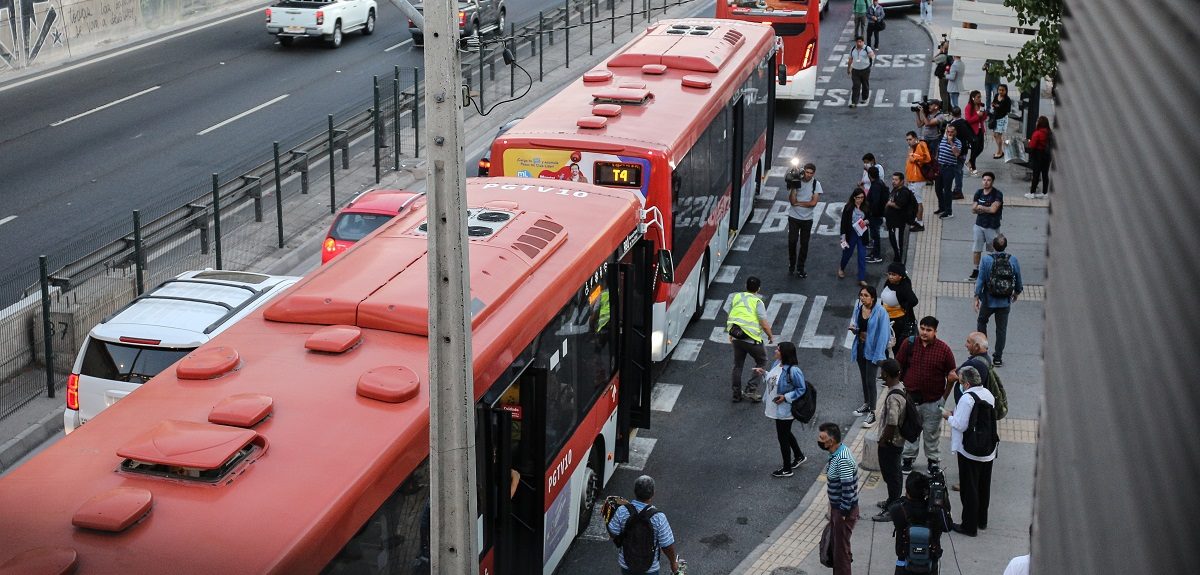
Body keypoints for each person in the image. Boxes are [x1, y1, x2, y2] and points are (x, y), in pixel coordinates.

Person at [896, 316, 958, 474]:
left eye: (928, 330)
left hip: (934, 400)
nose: (924, 332)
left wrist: (944, 398)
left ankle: (933, 460)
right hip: (910, 399)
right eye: (922, 328)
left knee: (932, 432)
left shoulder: (944, 350)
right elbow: (898, 367)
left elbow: (952, 374)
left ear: (935, 331)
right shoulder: (908, 344)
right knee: (910, 430)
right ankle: (908, 458)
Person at [942, 365, 997, 537]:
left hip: (970, 451)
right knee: (983, 486)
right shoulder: (987, 394)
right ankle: (982, 520)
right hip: (988, 448)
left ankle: (969, 525)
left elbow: (961, 424)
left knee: (969, 488)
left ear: (965, 384)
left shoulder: (967, 398)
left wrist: (947, 416)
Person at [607, 475, 681, 574]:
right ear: (653, 494)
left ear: (635, 491)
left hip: (627, 564)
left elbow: (613, 533)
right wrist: (673, 562)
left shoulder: (622, 511)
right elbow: (667, 545)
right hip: (650, 568)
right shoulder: (658, 517)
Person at [756, 342, 808, 477]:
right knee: (786, 434)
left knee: (783, 438)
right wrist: (764, 373)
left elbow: (801, 389)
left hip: (785, 410)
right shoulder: (776, 364)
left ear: (784, 353)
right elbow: (773, 379)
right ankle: (799, 456)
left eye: (778, 350)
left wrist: (785, 397)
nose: (775, 351)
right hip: (776, 408)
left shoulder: (794, 370)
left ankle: (787, 469)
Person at [974, 234, 1022, 367]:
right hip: (1004, 301)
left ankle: (983, 352)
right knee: (1001, 329)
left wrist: (977, 296)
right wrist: (1017, 292)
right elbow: (1018, 278)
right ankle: (998, 357)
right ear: (1005, 246)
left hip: (989, 300)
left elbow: (981, 279)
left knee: (982, 321)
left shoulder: (986, 260)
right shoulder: (1013, 260)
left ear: (993, 246)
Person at [819, 422, 859, 575]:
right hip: (838, 510)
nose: (820, 440)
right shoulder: (837, 454)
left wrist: (842, 513)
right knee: (838, 548)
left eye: (822, 437)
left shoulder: (842, 459)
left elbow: (848, 489)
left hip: (843, 512)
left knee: (841, 552)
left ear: (832, 440)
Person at [887, 472, 948, 572]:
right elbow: (947, 526)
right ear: (926, 491)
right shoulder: (936, 511)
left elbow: (892, 507)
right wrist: (943, 496)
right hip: (930, 562)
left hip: (904, 560)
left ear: (907, 491)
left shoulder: (898, 509)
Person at [727, 276, 773, 402]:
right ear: (758, 288)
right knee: (762, 361)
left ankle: (736, 394)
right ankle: (751, 389)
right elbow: (764, 323)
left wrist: (731, 333)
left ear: (745, 286)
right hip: (751, 339)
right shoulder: (757, 302)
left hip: (737, 336)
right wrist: (770, 336)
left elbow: (732, 314)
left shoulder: (737, 297)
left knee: (738, 365)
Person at [872, 358, 908, 520]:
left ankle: (893, 509)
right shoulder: (900, 387)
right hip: (898, 441)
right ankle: (893, 500)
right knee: (895, 472)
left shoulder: (893, 397)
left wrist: (883, 441)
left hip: (891, 442)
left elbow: (892, 422)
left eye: (882, 373)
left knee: (891, 474)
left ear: (886, 374)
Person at [849, 284, 888, 426]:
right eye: (861, 295)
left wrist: (878, 356)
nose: (863, 298)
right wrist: (855, 330)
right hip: (860, 347)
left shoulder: (880, 312)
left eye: (866, 296)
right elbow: (858, 325)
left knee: (871, 381)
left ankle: (872, 411)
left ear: (873, 298)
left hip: (873, 351)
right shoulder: (859, 308)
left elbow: (883, 335)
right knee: (864, 378)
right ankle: (866, 403)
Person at [786, 162, 823, 278]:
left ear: (814, 173)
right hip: (794, 217)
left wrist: (799, 203)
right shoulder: (796, 182)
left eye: (811, 173)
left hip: (807, 219)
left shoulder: (816, 184)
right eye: (807, 172)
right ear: (804, 171)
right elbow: (792, 201)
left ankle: (800, 267)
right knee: (792, 241)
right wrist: (793, 186)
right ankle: (792, 263)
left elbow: (813, 203)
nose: (808, 175)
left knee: (804, 244)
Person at [967, 172, 1003, 282]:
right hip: (979, 225)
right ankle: (976, 270)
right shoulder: (978, 192)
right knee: (976, 249)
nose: (986, 182)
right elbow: (973, 209)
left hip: (992, 226)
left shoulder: (997, 194)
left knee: (992, 250)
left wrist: (981, 207)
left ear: (992, 182)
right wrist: (984, 208)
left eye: (988, 180)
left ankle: (992, 271)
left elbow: (994, 209)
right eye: (984, 180)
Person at [881, 262, 919, 355]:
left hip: (899, 322)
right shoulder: (889, 283)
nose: (890, 277)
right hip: (887, 319)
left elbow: (914, 301)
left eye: (894, 275)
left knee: (898, 347)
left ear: (900, 276)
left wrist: (902, 305)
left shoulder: (904, 287)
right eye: (889, 274)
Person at [838, 188, 869, 285]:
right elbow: (843, 224)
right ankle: (842, 268)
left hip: (862, 233)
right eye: (858, 197)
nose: (860, 199)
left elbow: (870, 218)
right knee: (847, 253)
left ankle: (862, 278)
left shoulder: (866, 206)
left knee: (862, 256)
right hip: (851, 234)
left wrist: (867, 221)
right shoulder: (848, 208)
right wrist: (843, 238)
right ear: (854, 198)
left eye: (862, 197)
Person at [885, 172, 916, 263]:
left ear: (902, 181)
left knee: (898, 242)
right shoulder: (896, 189)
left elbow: (899, 205)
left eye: (896, 180)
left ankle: (899, 261)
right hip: (892, 223)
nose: (893, 181)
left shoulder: (903, 192)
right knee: (893, 240)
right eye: (893, 179)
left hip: (898, 224)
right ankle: (897, 257)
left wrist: (890, 203)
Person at [903, 132, 931, 232]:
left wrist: (914, 158)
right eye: (907, 140)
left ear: (915, 138)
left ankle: (920, 224)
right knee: (914, 202)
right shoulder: (913, 147)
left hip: (917, 180)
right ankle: (916, 220)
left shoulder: (921, 145)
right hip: (912, 180)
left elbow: (927, 158)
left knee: (918, 202)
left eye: (910, 139)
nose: (908, 142)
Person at [932, 124, 961, 219]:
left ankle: (949, 211)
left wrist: (951, 143)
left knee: (947, 190)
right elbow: (939, 150)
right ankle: (942, 207)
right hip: (940, 167)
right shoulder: (943, 139)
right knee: (937, 189)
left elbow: (957, 154)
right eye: (948, 132)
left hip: (949, 168)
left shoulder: (958, 142)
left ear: (955, 132)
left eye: (952, 132)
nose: (950, 133)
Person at [1025, 115, 1053, 198]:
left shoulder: (1037, 133)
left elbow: (1032, 146)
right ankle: (1045, 193)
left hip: (1038, 156)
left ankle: (1032, 193)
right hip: (1047, 156)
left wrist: (1028, 144)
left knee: (1036, 175)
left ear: (1039, 123)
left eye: (1037, 121)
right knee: (1045, 174)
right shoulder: (1049, 132)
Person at [947, 107, 972, 200]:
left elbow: (949, 138)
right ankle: (957, 190)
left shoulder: (952, 125)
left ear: (952, 114)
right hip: (964, 151)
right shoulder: (965, 122)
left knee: (957, 171)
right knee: (959, 171)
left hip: (957, 151)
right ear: (960, 114)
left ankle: (958, 191)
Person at [865, 165, 888, 263]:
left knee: (875, 235)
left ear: (870, 175)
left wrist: (871, 214)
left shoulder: (875, 186)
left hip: (875, 215)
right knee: (875, 235)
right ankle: (874, 253)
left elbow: (875, 201)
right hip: (878, 214)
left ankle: (876, 255)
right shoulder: (880, 183)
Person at [963, 90, 989, 175]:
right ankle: (973, 168)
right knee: (974, 149)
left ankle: (969, 162)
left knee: (980, 148)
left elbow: (984, 118)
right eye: (978, 97)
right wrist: (978, 116)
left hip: (980, 129)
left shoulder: (980, 106)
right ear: (973, 98)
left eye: (980, 97)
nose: (980, 99)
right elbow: (968, 120)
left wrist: (984, 113)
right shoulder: (969, 107)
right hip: (972, 131)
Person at [847, 37, 875, 108]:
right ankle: (854, 102)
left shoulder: (867, 48)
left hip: (865, 70)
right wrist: (849, 68)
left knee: (865, 84)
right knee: (856, 86)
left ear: (863, 42)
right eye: (858, 42)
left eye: (860, 42)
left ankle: (865, 98)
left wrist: (870, 55)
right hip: (855, 70)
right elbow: (850, 59)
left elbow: (872, 54)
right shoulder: (853, 49)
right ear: (856, 42)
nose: (859, 43)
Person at [989, 84, 1012, 158]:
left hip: (1002, 119)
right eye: (999, 90)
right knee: (996, 135)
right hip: (996, 117)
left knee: (998, 135)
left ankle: (1000, 152)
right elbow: (994, 102)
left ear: (1006, 91)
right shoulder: (996, 95)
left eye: (1003, 90)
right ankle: (1000, 151)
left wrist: (999, 107)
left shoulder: (1007, 99)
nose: (1001, 92)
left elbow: (1008, 110)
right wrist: (994, 105)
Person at [931, 39, 950, 105]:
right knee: (947, 94)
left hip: (943, 78)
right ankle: (948, 108)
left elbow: (933, 59)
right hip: (947, 76)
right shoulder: (949, 55)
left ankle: (945, 110)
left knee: (943, 94)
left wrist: (940, 52)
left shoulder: (942, 56)